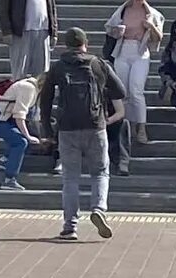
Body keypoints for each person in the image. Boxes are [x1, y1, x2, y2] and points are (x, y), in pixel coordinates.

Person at [37, 28, 126, 241]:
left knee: (70, 178)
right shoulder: (98, 64)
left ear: (66, 45)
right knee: (100, 172)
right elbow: (121, 92)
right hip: (96, 127)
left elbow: (45, 101)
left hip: (67, 128)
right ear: (85, 43)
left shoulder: (57, 68)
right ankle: (98, 209)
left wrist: (48, 131)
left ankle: (70, 227)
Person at [105, 0, 167, 167]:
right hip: (123, 50)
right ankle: (126, 126)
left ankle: (141, 127)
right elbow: (109, 28)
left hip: (141, 52)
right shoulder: (122, 11)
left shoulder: (152, 13)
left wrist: (151, 27)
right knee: (122, 91)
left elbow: (159, 38)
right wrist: (118, 31)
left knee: (136, 89)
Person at [0, 76, 38, 191]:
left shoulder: (29, 85)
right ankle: (9, 180)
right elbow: (19, 115)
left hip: (3, 118)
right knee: (21, 142)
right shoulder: (28, 88)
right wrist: (28, 136)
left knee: (20, 138)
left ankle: (4, 160)